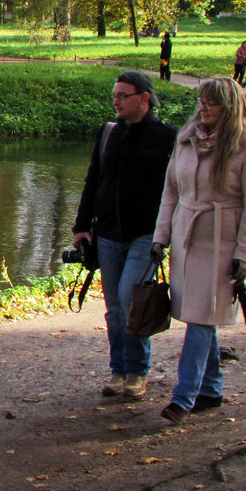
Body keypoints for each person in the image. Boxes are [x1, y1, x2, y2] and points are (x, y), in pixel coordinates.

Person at [150, 78, 246, 424]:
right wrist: (161, 237)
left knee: (202, 320)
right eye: (202, 100)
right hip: (187, 238)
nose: (204, 107)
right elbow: (170, 191)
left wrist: (245, 254)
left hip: (220, 242)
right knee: (201, 315)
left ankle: (183, 398)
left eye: (212, 102)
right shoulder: (186, 139)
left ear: (229, 106)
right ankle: (212, 389)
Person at [72, 70, 177, 400]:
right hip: (108, 234)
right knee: (115, 308)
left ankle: (138, 371)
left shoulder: (167, 138)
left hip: (147, 235)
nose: (115, 101)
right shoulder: (108, 134)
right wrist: (81, 227)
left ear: (144, 98)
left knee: (132, 302)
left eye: (122, 95)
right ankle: (119, 371)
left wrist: (170, 231)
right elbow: (93, 181)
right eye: (114, 95)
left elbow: (177, 189)